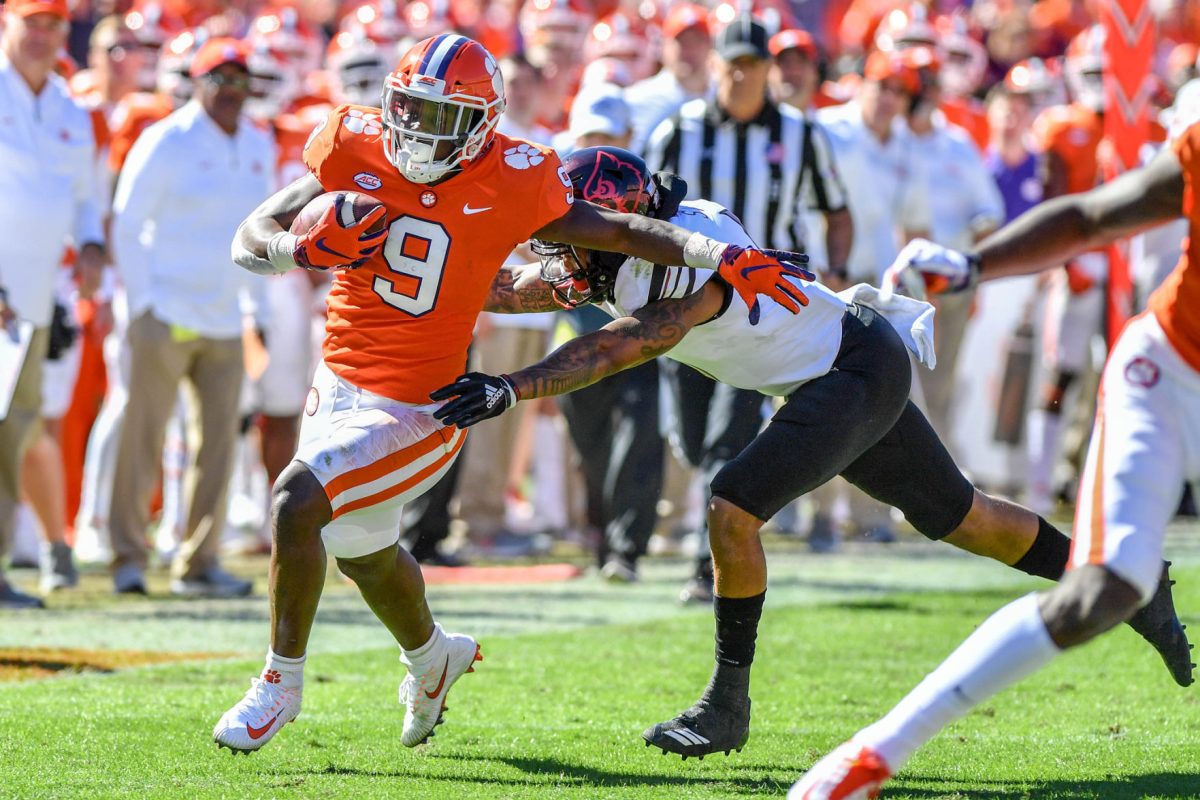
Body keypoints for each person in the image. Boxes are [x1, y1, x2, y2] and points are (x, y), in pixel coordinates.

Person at [429, 145, 1193, 761]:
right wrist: (408, 270)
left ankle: (726, 704)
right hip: (838, 369)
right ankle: (1129, 583)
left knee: (732, 507)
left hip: (852, 367)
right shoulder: (613, 248)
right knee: (969, 520)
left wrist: (511, 387)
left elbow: (639, 339)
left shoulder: (698, 246)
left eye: (577, 234)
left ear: (622, 220)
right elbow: (519, 287)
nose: (566, 250)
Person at [217, 33, 810, 755]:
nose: (419, 131)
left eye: (442, 117)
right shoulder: (353, 140)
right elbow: (251, 233)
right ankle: (433, 657)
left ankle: (279, 682)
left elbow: (614, 228)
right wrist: (294, 251)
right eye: (412, 110)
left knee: (296, 499)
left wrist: (718, 253)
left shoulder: (515, 173)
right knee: (362, 552)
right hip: (337, 382)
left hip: (425, 404)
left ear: (481, 125)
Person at [789, 114, 1200, 799]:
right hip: (1170, 372)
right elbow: (1098, 214)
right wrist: (975, 265)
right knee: (1106, 588)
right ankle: (869, 757)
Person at [646, 15, 852, 599]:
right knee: (688, 438)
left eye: (752, 66)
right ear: (715, 65)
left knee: (725, 439)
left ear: (768, 70)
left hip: (759, 310)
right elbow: (642, 209)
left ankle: (701, 566)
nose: (740, 76)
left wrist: (834, 267)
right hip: (683, 301)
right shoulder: (677, 130)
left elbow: (837, 210)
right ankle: (712, 533)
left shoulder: (802, 133)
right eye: (731, 64)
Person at [108, 37, 273, 597]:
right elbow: (127, 222)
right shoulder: (166, 139)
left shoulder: (255, 143)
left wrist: (260, 308)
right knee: (144, 436)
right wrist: (142, 305)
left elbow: (265, 233)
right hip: (168, 311)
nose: (229, 91)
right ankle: (127, 557)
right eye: (218, 79)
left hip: (226, 315)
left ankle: (199, 563)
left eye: (237, 80)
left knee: (219, 447)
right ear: (196, 82)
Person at [0, 0, 106, 609]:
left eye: (54, 24)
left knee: (12, 436)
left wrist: (90, 245)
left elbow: (84, 196)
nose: (42, 35)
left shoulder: (69, 109)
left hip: (33, 300)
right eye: (31, 22)